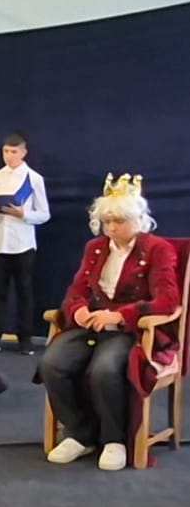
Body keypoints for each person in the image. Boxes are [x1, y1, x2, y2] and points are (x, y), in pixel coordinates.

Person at [38, 173, 179, 472]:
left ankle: (114, 439)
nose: (112, 228)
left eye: (119, 221)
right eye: (107, 222)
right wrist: (77, 310)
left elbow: (168, 301)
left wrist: (120, 316)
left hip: (131, 329)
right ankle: (80, 433)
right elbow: (77, 291)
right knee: (52, 363)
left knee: (104, 368)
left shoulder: (157, 249)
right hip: (92, 326)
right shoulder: (95, 248)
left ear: (138, 220)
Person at [0, 132, 50, 355]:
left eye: (14, 151)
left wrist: (23, 214)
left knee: (24, 292)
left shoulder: (34, 178)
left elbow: (44, 214)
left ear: (23, 153)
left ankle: (25, 339)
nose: (9, 156)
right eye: (6, 151)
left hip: (23, 243)